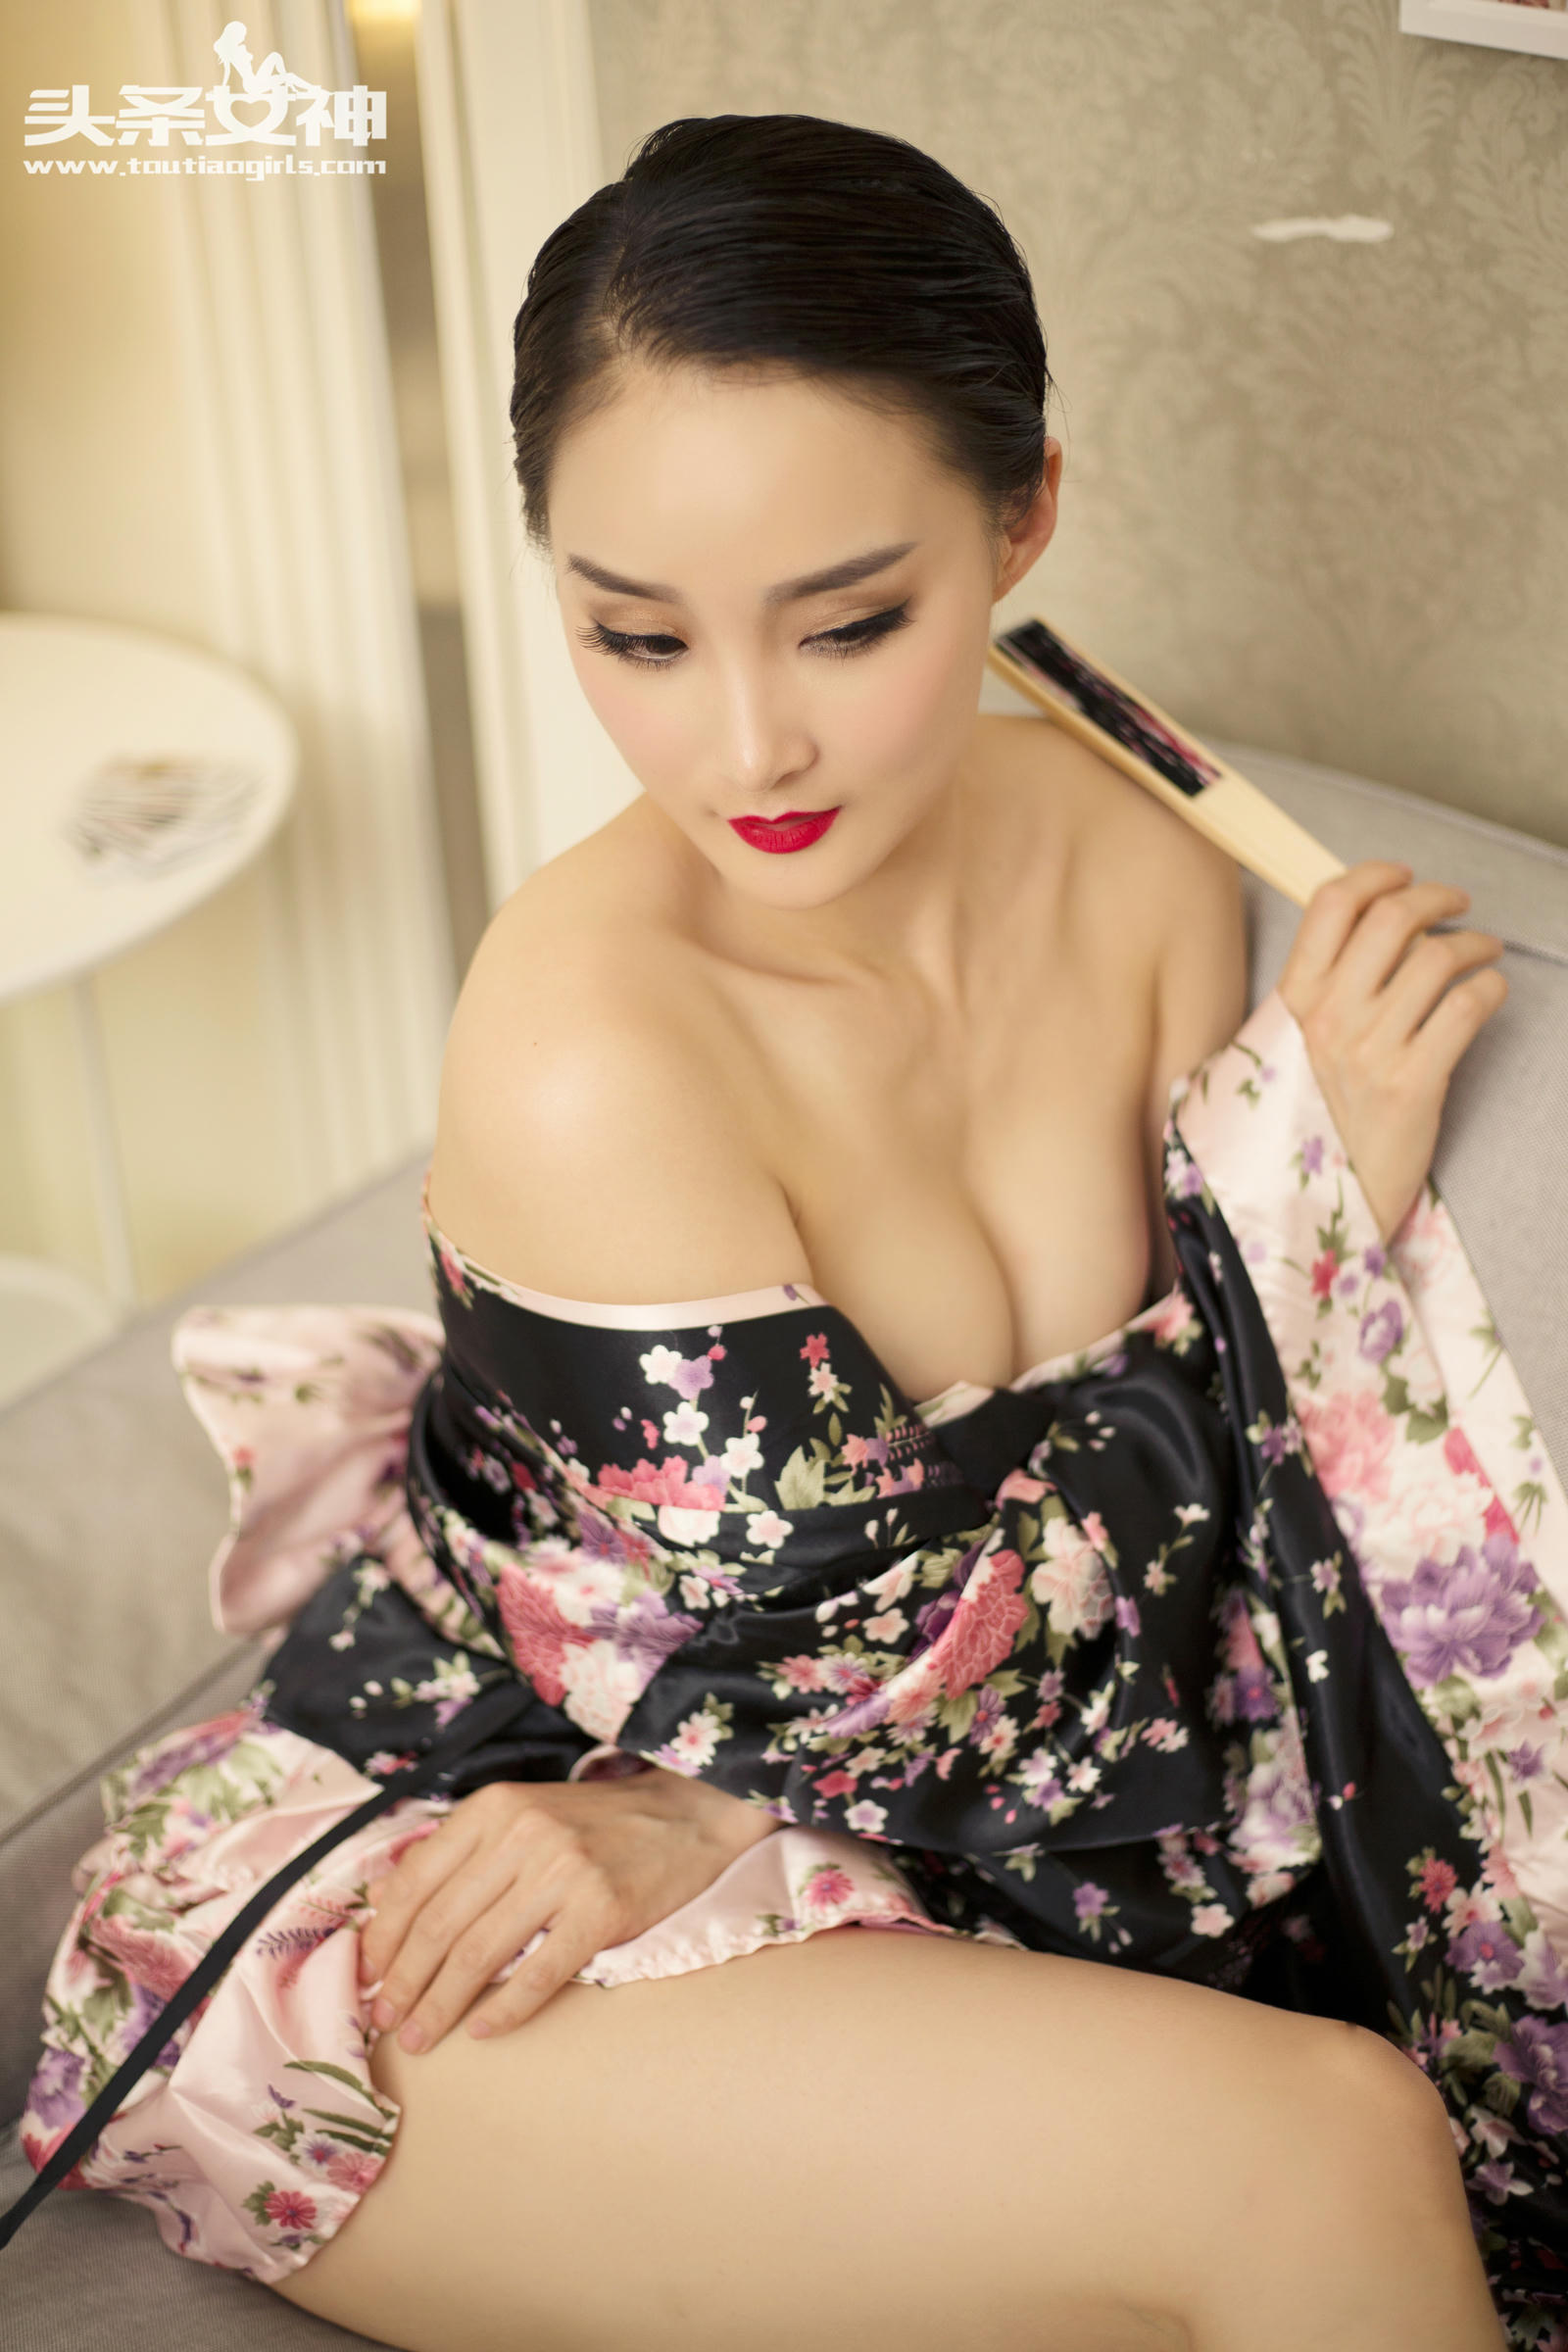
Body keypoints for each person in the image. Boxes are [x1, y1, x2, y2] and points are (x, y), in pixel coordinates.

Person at [17, 114, 1530, 2351]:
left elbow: (1137, 1555)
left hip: (865, 1822)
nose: (745, 747)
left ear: (1020, 514)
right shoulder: (593, 1046)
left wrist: (1301, 1195)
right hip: (485, 1867)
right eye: (632, 634)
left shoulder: (1137, 860)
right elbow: (907, 1657)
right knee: (1325, 2148)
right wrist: (1297, 1209)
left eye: (851, 622)